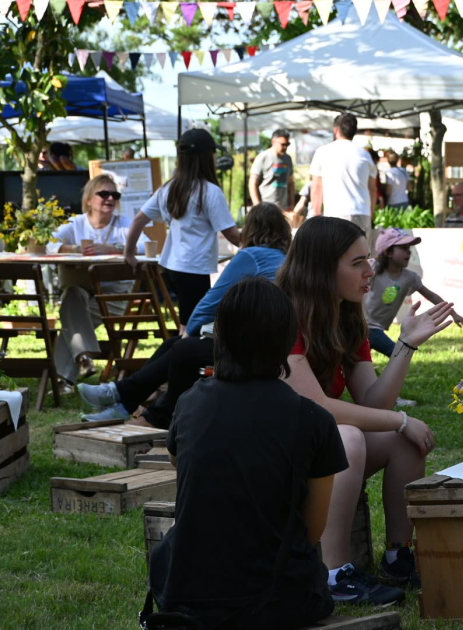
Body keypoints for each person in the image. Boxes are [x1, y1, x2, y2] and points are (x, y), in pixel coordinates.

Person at [147, 277, 347, 629]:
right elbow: (312, 531)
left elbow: (184, 474)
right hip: (278, 600)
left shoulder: (189, 403)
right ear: (287, 338)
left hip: (186, 596)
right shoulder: (314, 419)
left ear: (219, 336)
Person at [279, 216, 453, 605]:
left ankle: (397, 556)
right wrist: (402, 418)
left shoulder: (346, 315)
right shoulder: (284, 314)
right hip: (268, 454)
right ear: (322, 268)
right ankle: (333, 574)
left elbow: (373, 403)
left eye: (367, 260)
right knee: (348, 437)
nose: (370, 270)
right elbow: (318, 408)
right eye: (357, 263)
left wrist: (406, 345)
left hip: (311, 448)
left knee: (400, 441)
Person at [77, 203, 290, 425]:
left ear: (251, 229)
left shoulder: (252, 255)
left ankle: (154, 414)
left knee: (183, 348)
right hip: (266, 344)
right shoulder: (282, 257)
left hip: (253, 349)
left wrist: (189, 331)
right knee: (174, 345)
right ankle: (122, 399)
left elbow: (211, 301)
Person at [124, 128, 241, 333]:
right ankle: (180, 362)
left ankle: (183, 359)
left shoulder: (168, 189)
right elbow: (232, 234)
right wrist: (261, 245)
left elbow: (138, 219)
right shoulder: (210, 191)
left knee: (190, 322)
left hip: (173, 267)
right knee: (191, 328)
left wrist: (129, 253)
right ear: (206, 158)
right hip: (194, 268)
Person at [46, 175, 146, 388]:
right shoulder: (76, 223)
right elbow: (49, 243)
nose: (110, 198)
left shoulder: (124, 224)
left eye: (115, 195)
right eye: (104, 194)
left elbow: (146, 246)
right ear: (89, 199)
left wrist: (113, 249)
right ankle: (82, 359)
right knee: (72, 295)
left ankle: (65, 377)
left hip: (114, 295)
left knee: (69, 312)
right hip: (82, 289)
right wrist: (74, 249)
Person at [365, 228, 463, 406]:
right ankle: (390, 398)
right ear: (388, 252)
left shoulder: (409, 277)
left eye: (410, 248)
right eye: (403, 248)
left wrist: (453, 313)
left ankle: (375, 395)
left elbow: (432, 295)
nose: (409, 252)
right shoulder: (373, 268)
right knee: (396, 353)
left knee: (363, 360)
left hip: (375, 328)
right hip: (365, 326)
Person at [309, 114, 378, 241]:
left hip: (335, 213)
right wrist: (370, 215)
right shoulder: (365, 155)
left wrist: (316, 215)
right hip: (362, 212)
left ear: (336, 130)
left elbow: (316, 188)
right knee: (362, 257)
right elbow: (372, 189)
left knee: (336, 257)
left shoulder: (323, 152)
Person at [248, 129, 294, 213]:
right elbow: (252, 183)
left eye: (287, 144)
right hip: (266, 208)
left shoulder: (287, 159)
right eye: (283, 144)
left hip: (283, 208)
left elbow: (290, 182)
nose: (285, 147)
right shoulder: (263, 158)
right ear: (273, 142)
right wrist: (257, 205)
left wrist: (291, 204)